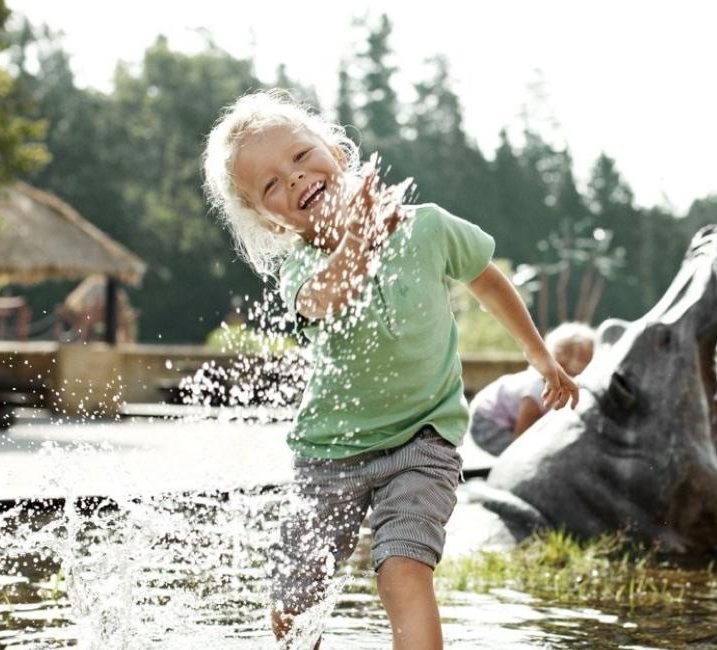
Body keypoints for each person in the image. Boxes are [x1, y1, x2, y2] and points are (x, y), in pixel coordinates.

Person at [202, 90, 579, 649]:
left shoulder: (424, 227)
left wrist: (539, 353)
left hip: (424, 441)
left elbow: (485, 278)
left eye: (302, 156)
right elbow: (325, 297)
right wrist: (354, 244)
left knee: (403, 571)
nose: (295, 178)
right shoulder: (301, 268)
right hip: (330, 452)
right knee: (293, 600)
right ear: (270, 220)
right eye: (272, 185)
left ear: (334, 148)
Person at [467, 322, 595, 455]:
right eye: (583, 365)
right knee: (529, 450)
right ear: (561, 363)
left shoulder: (552, 388)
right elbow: (521, 438)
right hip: (486, 423)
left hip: (501, 416)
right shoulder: (536, 392)